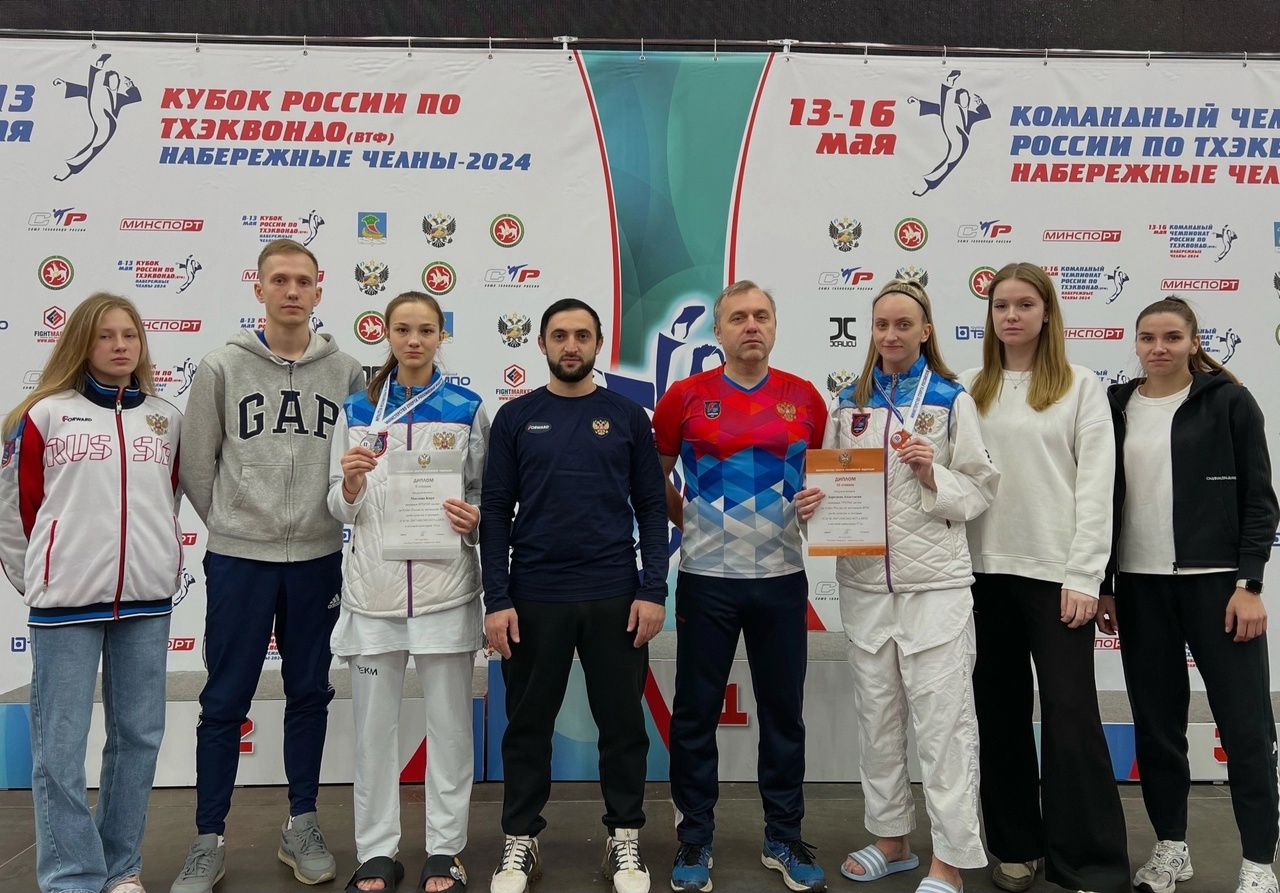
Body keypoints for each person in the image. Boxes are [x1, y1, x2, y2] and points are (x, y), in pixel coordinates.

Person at [174, 239, 366, 893]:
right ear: (258, 288)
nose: (291, 290)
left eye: (302, 281)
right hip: (239, 558)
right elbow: (197, 464)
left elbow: (357, 463)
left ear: (319, 290)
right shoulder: (222, 366)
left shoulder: (347, 372)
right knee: (225, 698)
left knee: (309, 691)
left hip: (317, 557)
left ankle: (302, 823)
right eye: (278, 279)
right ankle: (207, 839)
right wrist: (234, 523)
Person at [805, 278, 998, 893]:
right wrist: (813, 506)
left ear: (925, 330)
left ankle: (952, 859)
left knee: (944, 728)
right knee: (878, 720)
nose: (891, 335)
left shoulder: (949, 398)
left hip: (934, 588)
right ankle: (891, 839)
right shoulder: (848, 402)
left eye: (903, 324)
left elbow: (981, 487)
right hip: (865, 586)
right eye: (882, 325)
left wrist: (933, 472)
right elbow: (831, 487)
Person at [480, 298, 668, 893]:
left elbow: (652, 508)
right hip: (534, 597)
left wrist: (653, 589)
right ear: (541, 344)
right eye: (559, 335)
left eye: (582, 336)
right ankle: (520, 840)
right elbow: (494, 512)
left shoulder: (628, 416)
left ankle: (625, 840)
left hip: (616, 596)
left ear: (598, 344)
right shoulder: (515, 417)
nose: (571, 346)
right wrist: (496, 598)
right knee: (526, 726)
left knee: (623, 726)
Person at [0, 294, 183, 893]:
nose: (120, 345)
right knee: (59, 747)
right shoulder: (43, 415)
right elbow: (15, 511)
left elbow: (168, 499)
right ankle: (72, 876)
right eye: (106, 335)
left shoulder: (165, 417)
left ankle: (121, 867)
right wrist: (43, 579)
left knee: (138, 739)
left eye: (129, 334)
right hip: (65, 607)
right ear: (82, 341)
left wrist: (158, 563)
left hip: (146, 603)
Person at [652, 280, 829, 893]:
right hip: (707, 580)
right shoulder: (684, 397)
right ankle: (694, 837)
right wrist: (691, 522)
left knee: (783, 714)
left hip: (782, 580)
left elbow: (827, 482)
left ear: (774, 325)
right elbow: (653, 478)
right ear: (719, 331)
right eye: (738, 318)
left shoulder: (805, 398)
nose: (751, 326)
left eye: (761, 316)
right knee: (695, 713)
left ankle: (783, 836)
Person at [1099, 296, 1279, 893]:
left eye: (1172, 337)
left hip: (1219, 588)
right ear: (1135, 344)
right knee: (1157, 729)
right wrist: (1105, 584)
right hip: (1141, 588)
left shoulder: (1229, 402)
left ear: (1194, 342)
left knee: (1246, 728)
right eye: (1148, 338)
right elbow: (1099, 501)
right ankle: (1171, 848)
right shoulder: (1115, 406)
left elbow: (1260, 500)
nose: (1159, 348)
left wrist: (1249, 583)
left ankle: (1259, 864)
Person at [960, 262, 1130, 893]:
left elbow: (1097, 488)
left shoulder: (1081, 386)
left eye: (1024, 304)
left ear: (1047, 312)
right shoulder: (969, 388)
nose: (1011, 315)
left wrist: (1085, 575)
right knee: (998, 712)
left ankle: (1088, 861)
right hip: (980, 577)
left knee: (1070, 713)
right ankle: (1015, 847)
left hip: (1057, 577)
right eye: (1001, 305)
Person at [329, 291, 489, 893]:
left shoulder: (467, 408)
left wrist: (476, 518)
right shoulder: (356, 409)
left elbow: (487, 493)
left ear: (441, 335)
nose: (414, 340)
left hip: (446, 592)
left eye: (425, 329)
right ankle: (376, 851)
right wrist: (348, 486)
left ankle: (445, 850)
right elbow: (335, 505)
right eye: (402, 329)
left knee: (450, 729)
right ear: (386, 334)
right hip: (373, 596)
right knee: (373, 734)